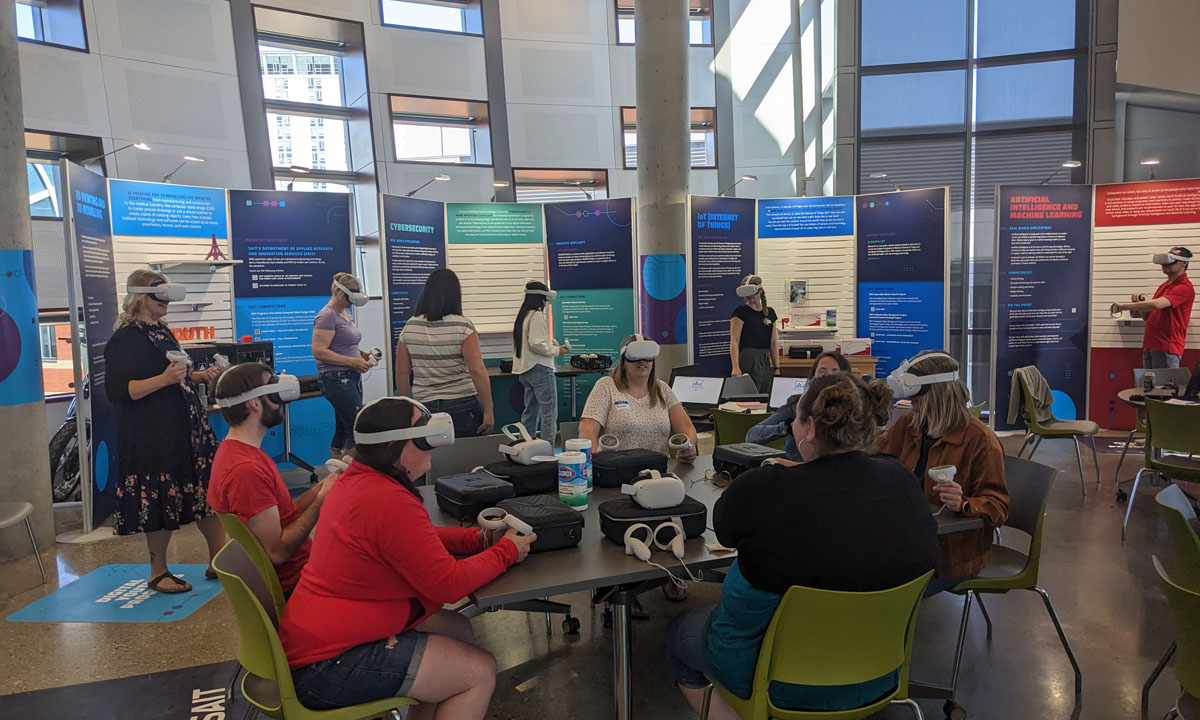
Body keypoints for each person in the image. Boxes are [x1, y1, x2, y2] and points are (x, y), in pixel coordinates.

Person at [666, 373, 939, 718]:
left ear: (809, 429)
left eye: (795, 416)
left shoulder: (763, 489)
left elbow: (724, 533)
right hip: (879, 674)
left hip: (772, 679)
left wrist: (777, 475)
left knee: (678, 636)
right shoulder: (901, 480)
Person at [280, 397, 536, 719]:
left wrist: (477, 539)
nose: (431, 445)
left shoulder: (359, 480)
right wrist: (507, 551)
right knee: (479, 671)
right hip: (327, 664)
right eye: (423, 437)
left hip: (322, 639)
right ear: (398, 447)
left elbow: (410, 539)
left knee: (457, 630)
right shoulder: (386, 499)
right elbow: (448, 585)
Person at [103, 269, 226, 594]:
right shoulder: (125, 339)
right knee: (158, 500)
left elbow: (172, 375)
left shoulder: (160, 331)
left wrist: (194, 377)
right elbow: (118, 391)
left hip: (187, 432)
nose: (167, 305)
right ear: (141, 297)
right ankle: (158, 571)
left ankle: (219, 560)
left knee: (207, 494)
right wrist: (165, 380)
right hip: (152, 436)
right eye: (161, 298)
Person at [876, 351, 1009, 596]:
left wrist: (963, 503)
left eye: (915, 397)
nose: (911, 404)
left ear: (935, 396)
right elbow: (876, 459)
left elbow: (998, 508)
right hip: (906, 540)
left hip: (950, 558)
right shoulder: (911, 425)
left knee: (878, 587)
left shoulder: (980, 441)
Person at [208, 363, 339, 595]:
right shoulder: (245, 470)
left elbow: (282, 514)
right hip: (300, 585)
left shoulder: (240, 453)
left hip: (305, 572)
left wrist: (323, 487)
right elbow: (277, 552)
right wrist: (322, 502)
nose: (280, 398)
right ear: (254, 402)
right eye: (272, 390)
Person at [396, 269, 494, 438]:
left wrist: (407, 410)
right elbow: (476, 370)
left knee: (431, 460)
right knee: (469, 459)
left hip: (424, 406)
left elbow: (402, 372)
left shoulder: (410, 327)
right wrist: (489, 411)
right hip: (462, 404)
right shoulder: (463, 326)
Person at [579, 334, 699, 462]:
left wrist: (688, 446)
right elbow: (587, 429)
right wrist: (593, 456)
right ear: (624, 361)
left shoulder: (662, 389)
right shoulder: (606, 386)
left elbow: (687, 428)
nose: (642, 361)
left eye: (647, 357)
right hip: (618, 470)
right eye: (635, 357)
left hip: (658, 472)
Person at [746, 351, 852, 461]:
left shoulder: (854, 410)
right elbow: (752, 435)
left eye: (834, 373)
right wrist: (787, 427)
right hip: (798, 471)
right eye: (822, 372)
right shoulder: (796, 405)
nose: (827, 378)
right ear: (813, 377)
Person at [312, 272, 372, 458]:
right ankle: (351, 477)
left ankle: (338, 477)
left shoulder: (344, 313)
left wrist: (359, 353)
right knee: (355, 429)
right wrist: (352, 361)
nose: (351, 303)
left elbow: (341, 343)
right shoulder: (327, 316)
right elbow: (319, 351)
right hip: (337, 379)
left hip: (349, 377)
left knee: (342, 430)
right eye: (349, 298)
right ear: (338, 292)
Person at [1109, 247, 1194, 369]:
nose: (1164, 264)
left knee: (1164, 387)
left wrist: (1123, 306)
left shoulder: (1184, 287)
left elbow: (1156, 304)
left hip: (1167, 348)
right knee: (1148, 387)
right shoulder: (1165, 286)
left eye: (1171, 260)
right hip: (1151, 346)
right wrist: (1139, 303)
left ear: (1184, 263)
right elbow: (1148, 316)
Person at [511, 281, 568, 442]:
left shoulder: (523, 315)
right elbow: (536, 343)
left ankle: (526, 445)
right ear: (541, 299)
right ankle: (547, 450)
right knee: (549, 413)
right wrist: (557, 350)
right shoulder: (536, 315)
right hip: (540, 370)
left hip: (526, 370)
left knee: (530, 411)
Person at [729, 275, 780, 393]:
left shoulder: (770, 313)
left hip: (764, 359)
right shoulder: (741, 312)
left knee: (764, 393)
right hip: (748, 358)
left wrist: (777, 367)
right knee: (749, 395)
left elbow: (773, 343)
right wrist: (735, 367)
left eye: (751, 292)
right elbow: (734, 341)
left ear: (760, 290)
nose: (749, 296)